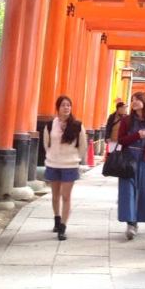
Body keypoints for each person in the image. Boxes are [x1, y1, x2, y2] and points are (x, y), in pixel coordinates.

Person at [117, 91, 145, 240]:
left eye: (137, 99)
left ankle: (136, 221)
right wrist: (137, 135)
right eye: (132, 99)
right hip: (127, 159)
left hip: (142, 159)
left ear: (144, 101)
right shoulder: (127, 120)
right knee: (128, 191)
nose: (134, 101)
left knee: (141, 192)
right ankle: (130, 223)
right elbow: (121, 140)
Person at [43, 95, 87, 240]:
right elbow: (46, 143)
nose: (66, 107)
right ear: (58, 108)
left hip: (70, 165)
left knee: (66, 196)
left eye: (68, 105)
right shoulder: (50, 125)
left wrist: (76, 160)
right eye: (63, 105)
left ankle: (63, 227)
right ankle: (57, 219)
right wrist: (51, 156)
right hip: (53, 164)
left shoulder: (78, 125)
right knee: (55, 195)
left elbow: (83, 145)